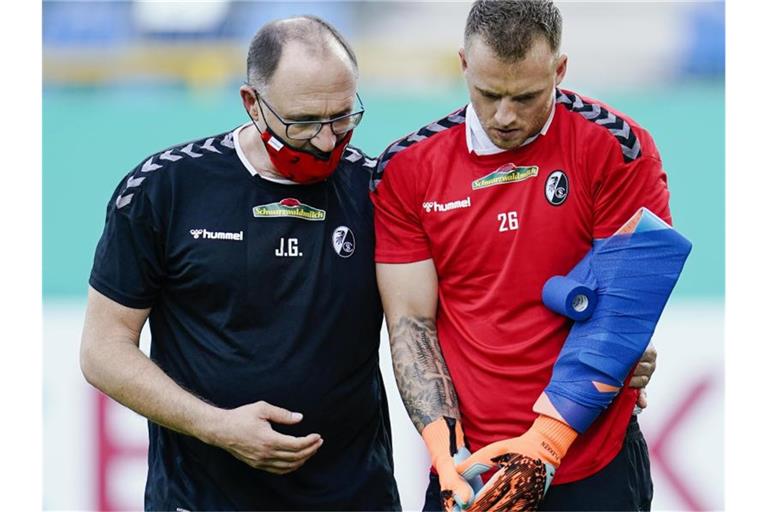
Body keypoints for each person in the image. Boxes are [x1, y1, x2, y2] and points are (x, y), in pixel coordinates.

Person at [79, 15, 400, 511]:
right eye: (304, 123)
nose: (325, 141)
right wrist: (219, 427)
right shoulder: (164, 189)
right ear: (252, 103)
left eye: (341, 118)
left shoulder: (378, 190)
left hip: (352, 496)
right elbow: (102, 350)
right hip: (202, 499)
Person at [371, 1, 667, 510]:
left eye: (527, 96)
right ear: (463, 65)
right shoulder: (406, 168)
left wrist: (542, 447)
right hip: (471, 469)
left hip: (592, 465)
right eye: (487, 94)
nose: (504, 116)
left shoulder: (619, 148)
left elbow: (623, 311)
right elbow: (411, 325)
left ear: (560, 69)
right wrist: (447, 456)